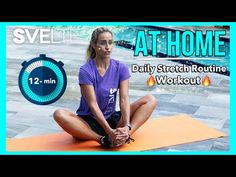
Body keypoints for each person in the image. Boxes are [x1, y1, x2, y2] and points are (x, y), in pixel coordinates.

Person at [53, 27, 157, 148]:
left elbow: (124, 100)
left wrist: (127, 126)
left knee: (150, 100)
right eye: (102, 43)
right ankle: (102, 139)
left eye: (110, 42)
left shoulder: (120, 68)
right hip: (90, 122)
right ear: (94, 45)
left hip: (112, 119)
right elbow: (93, 106)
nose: (107, 47)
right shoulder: (86, 71)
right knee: (59, 114)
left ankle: (125, 135)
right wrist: (108, 132)